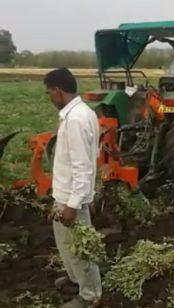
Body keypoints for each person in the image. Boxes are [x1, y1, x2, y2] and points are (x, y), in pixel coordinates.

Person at [44, 68, 102, 308]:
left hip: (71, 199)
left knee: (80, 249)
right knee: (66, 245)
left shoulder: (77, 119)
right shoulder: (75, 114)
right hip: (64, 195)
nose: (49, 97)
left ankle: (90, 296)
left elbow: (82, 167)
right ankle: (75, 280)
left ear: (58, 91)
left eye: (49, 92)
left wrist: (72, 204)